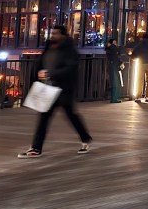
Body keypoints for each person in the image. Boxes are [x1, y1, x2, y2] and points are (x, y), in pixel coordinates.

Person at [19, 25, 93, 158]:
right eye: (52, 33)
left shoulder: (70, 51)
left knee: (71, 116)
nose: (53, 36)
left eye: (56, 33)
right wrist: (36, 78)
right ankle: (36, 148)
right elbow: (40, 65)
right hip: (48, 89)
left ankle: (85, 138)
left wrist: (51, 73)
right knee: (44, 117)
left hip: (63, 89)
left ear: (64, 35)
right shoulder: (48, 48)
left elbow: (70, 69)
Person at [131, 32, 148, 102]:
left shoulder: (139, 44)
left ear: (142, 38)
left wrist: (134, 58)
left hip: (141, 63)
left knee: (139, 80)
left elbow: (134, 53)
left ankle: (138, 97)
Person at [105, 38, 123, 103]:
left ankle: (115, 97)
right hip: (113, 66)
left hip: (114, 66)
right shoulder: (112, 49)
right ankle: (114, 98)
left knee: (116, 82)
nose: (115, 44)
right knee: (115, 82)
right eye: (114, 43)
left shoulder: (111, 50)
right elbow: (116, 53)